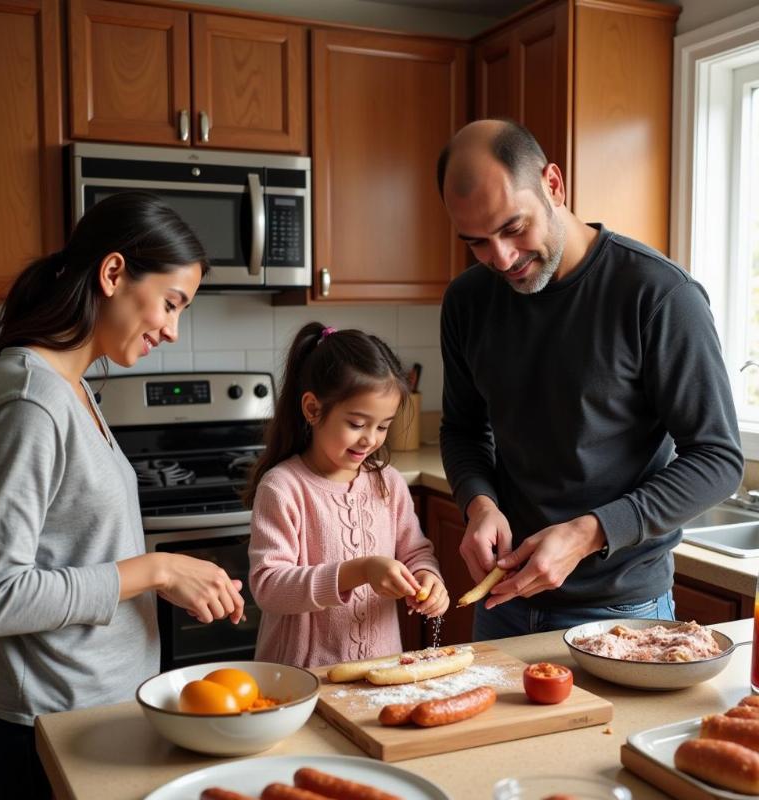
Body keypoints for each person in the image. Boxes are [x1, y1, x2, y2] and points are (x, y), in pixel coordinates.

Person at [0, 191, 246, 799]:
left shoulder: (73, 386)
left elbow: (79, 551)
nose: (172, 329)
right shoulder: (31, 401)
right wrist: (157, 570)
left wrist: (171, 581)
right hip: (43, 731)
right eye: (171, 304)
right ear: (113, 273)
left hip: (96, 714)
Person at [436, 118, 743, 640]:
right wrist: (478, 501)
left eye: (513, 228)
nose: (502, 258)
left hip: (621, 613)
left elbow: (718, 459)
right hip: (503, 601)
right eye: (477, 243)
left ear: (553, 184)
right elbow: (463, 428)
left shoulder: (658, 296)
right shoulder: (468, 301)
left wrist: (589, 532)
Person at [245, 322, 449, 668]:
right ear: (312, 409)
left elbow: (416, 552)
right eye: (357, 424)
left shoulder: (389, 483)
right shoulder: (283, 488)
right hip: (304, 678)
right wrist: (358, 571)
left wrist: (429, 579)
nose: (371, 439)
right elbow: (269, 586)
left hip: (381, 667)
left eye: (383, 426)